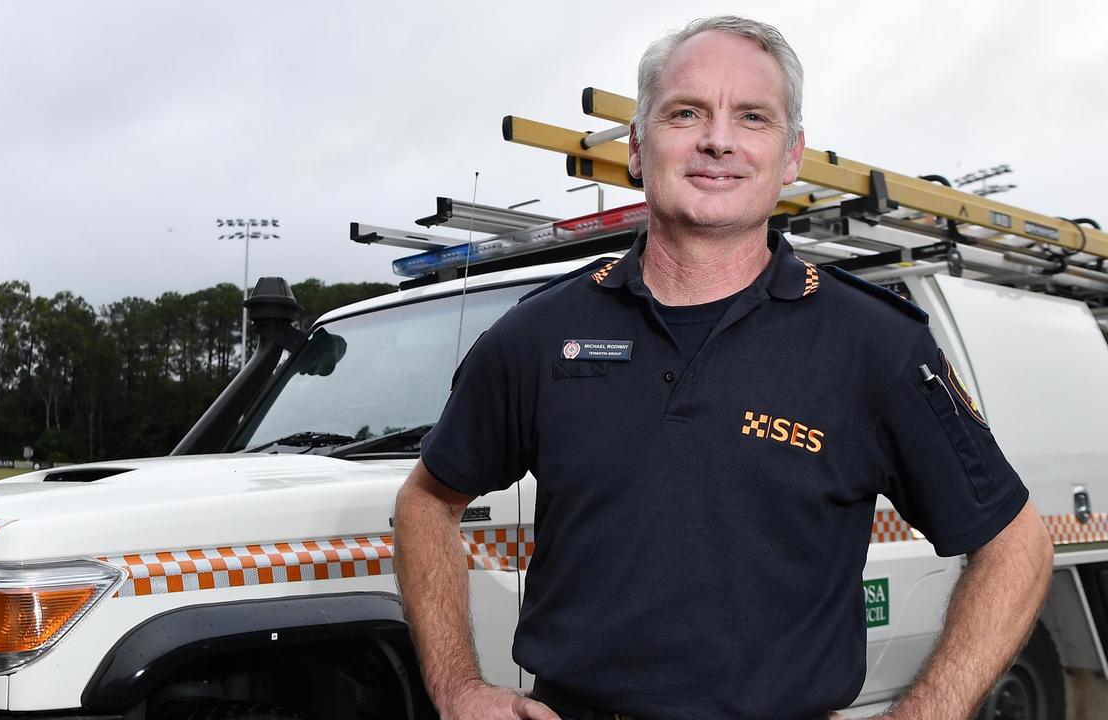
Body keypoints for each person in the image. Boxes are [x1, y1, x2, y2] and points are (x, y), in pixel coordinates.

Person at [393, 15, 1053, 720]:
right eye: (686, 113)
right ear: (639, 148)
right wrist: (457, 687)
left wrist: (925, 713)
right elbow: (427, 502)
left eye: (752, 116)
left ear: (790, 154)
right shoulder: (541, 333)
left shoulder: (874, 346)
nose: (718, 139)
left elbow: (1016, 546)